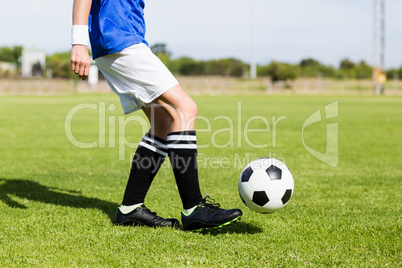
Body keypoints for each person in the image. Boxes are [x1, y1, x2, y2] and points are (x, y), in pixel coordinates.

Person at [70, 0, 242, 232]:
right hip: (119, 40)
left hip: (124, 40)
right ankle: (194, 208)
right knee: (185, 109)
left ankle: (130, 208)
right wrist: (79, 40)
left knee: (162, 121)